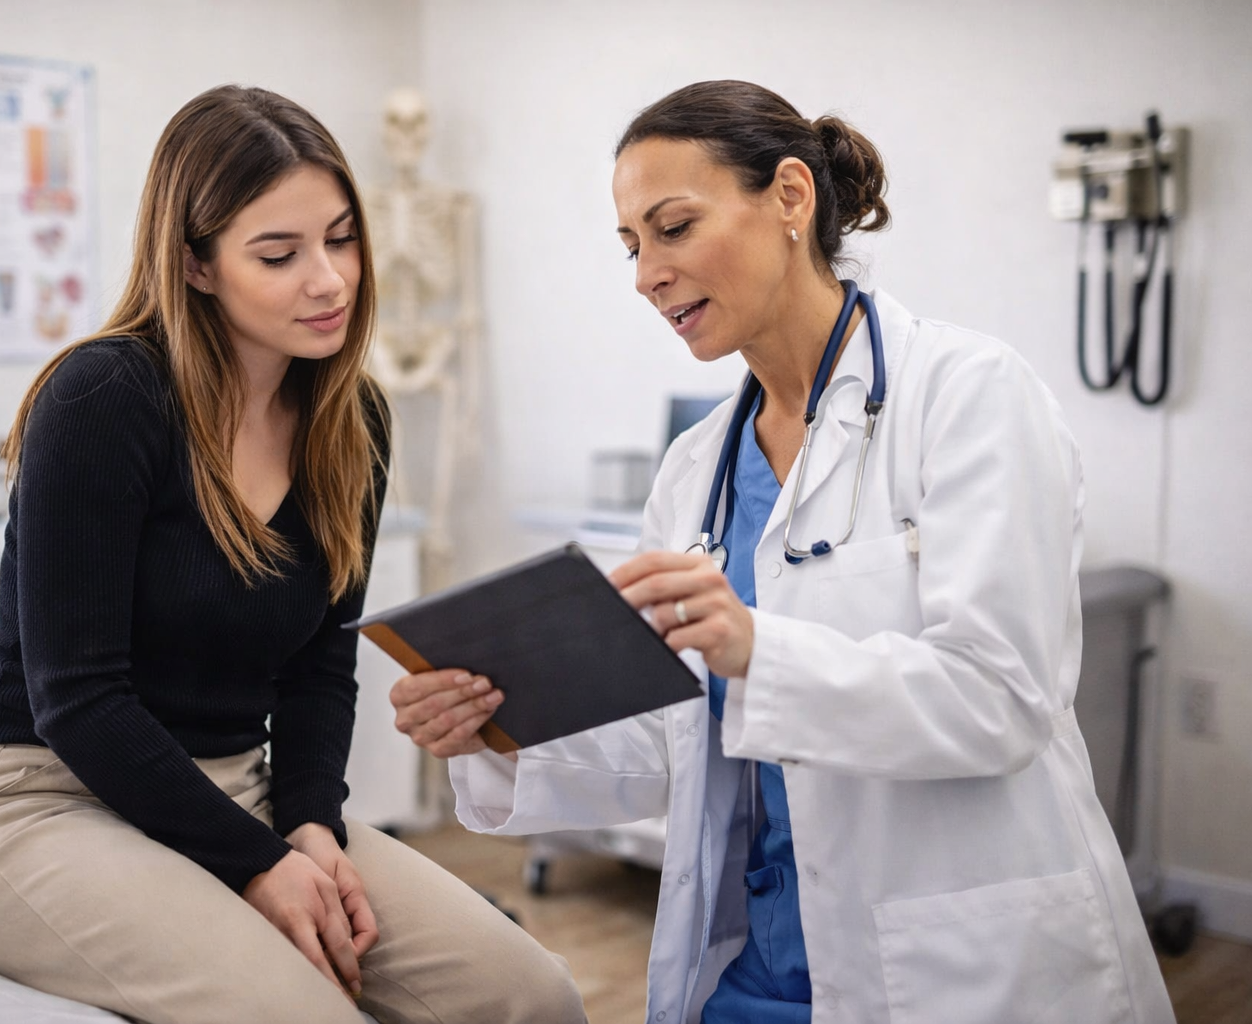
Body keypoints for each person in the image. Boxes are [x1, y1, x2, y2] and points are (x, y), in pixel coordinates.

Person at [389, 81, 1173, 1024]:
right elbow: (677, 739)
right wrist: (497, 730)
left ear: (791, 197)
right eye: (632, 246)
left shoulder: (968, 395)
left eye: (673, 228)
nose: (646, 274)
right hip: (753, 970)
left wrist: (755, 649)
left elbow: (1000, 699)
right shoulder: (695, 471)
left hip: (953, 968)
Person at [0, 85, 584, 1024]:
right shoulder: (103, 397)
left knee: (532, 997)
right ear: (195, 265)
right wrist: (258, 866)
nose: (330, 280)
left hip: (245, 790)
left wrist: (309, 827)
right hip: (43, 801)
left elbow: (319, 673)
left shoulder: (352, 420)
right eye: (279, 254)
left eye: (342, 238)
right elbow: (77, 700)